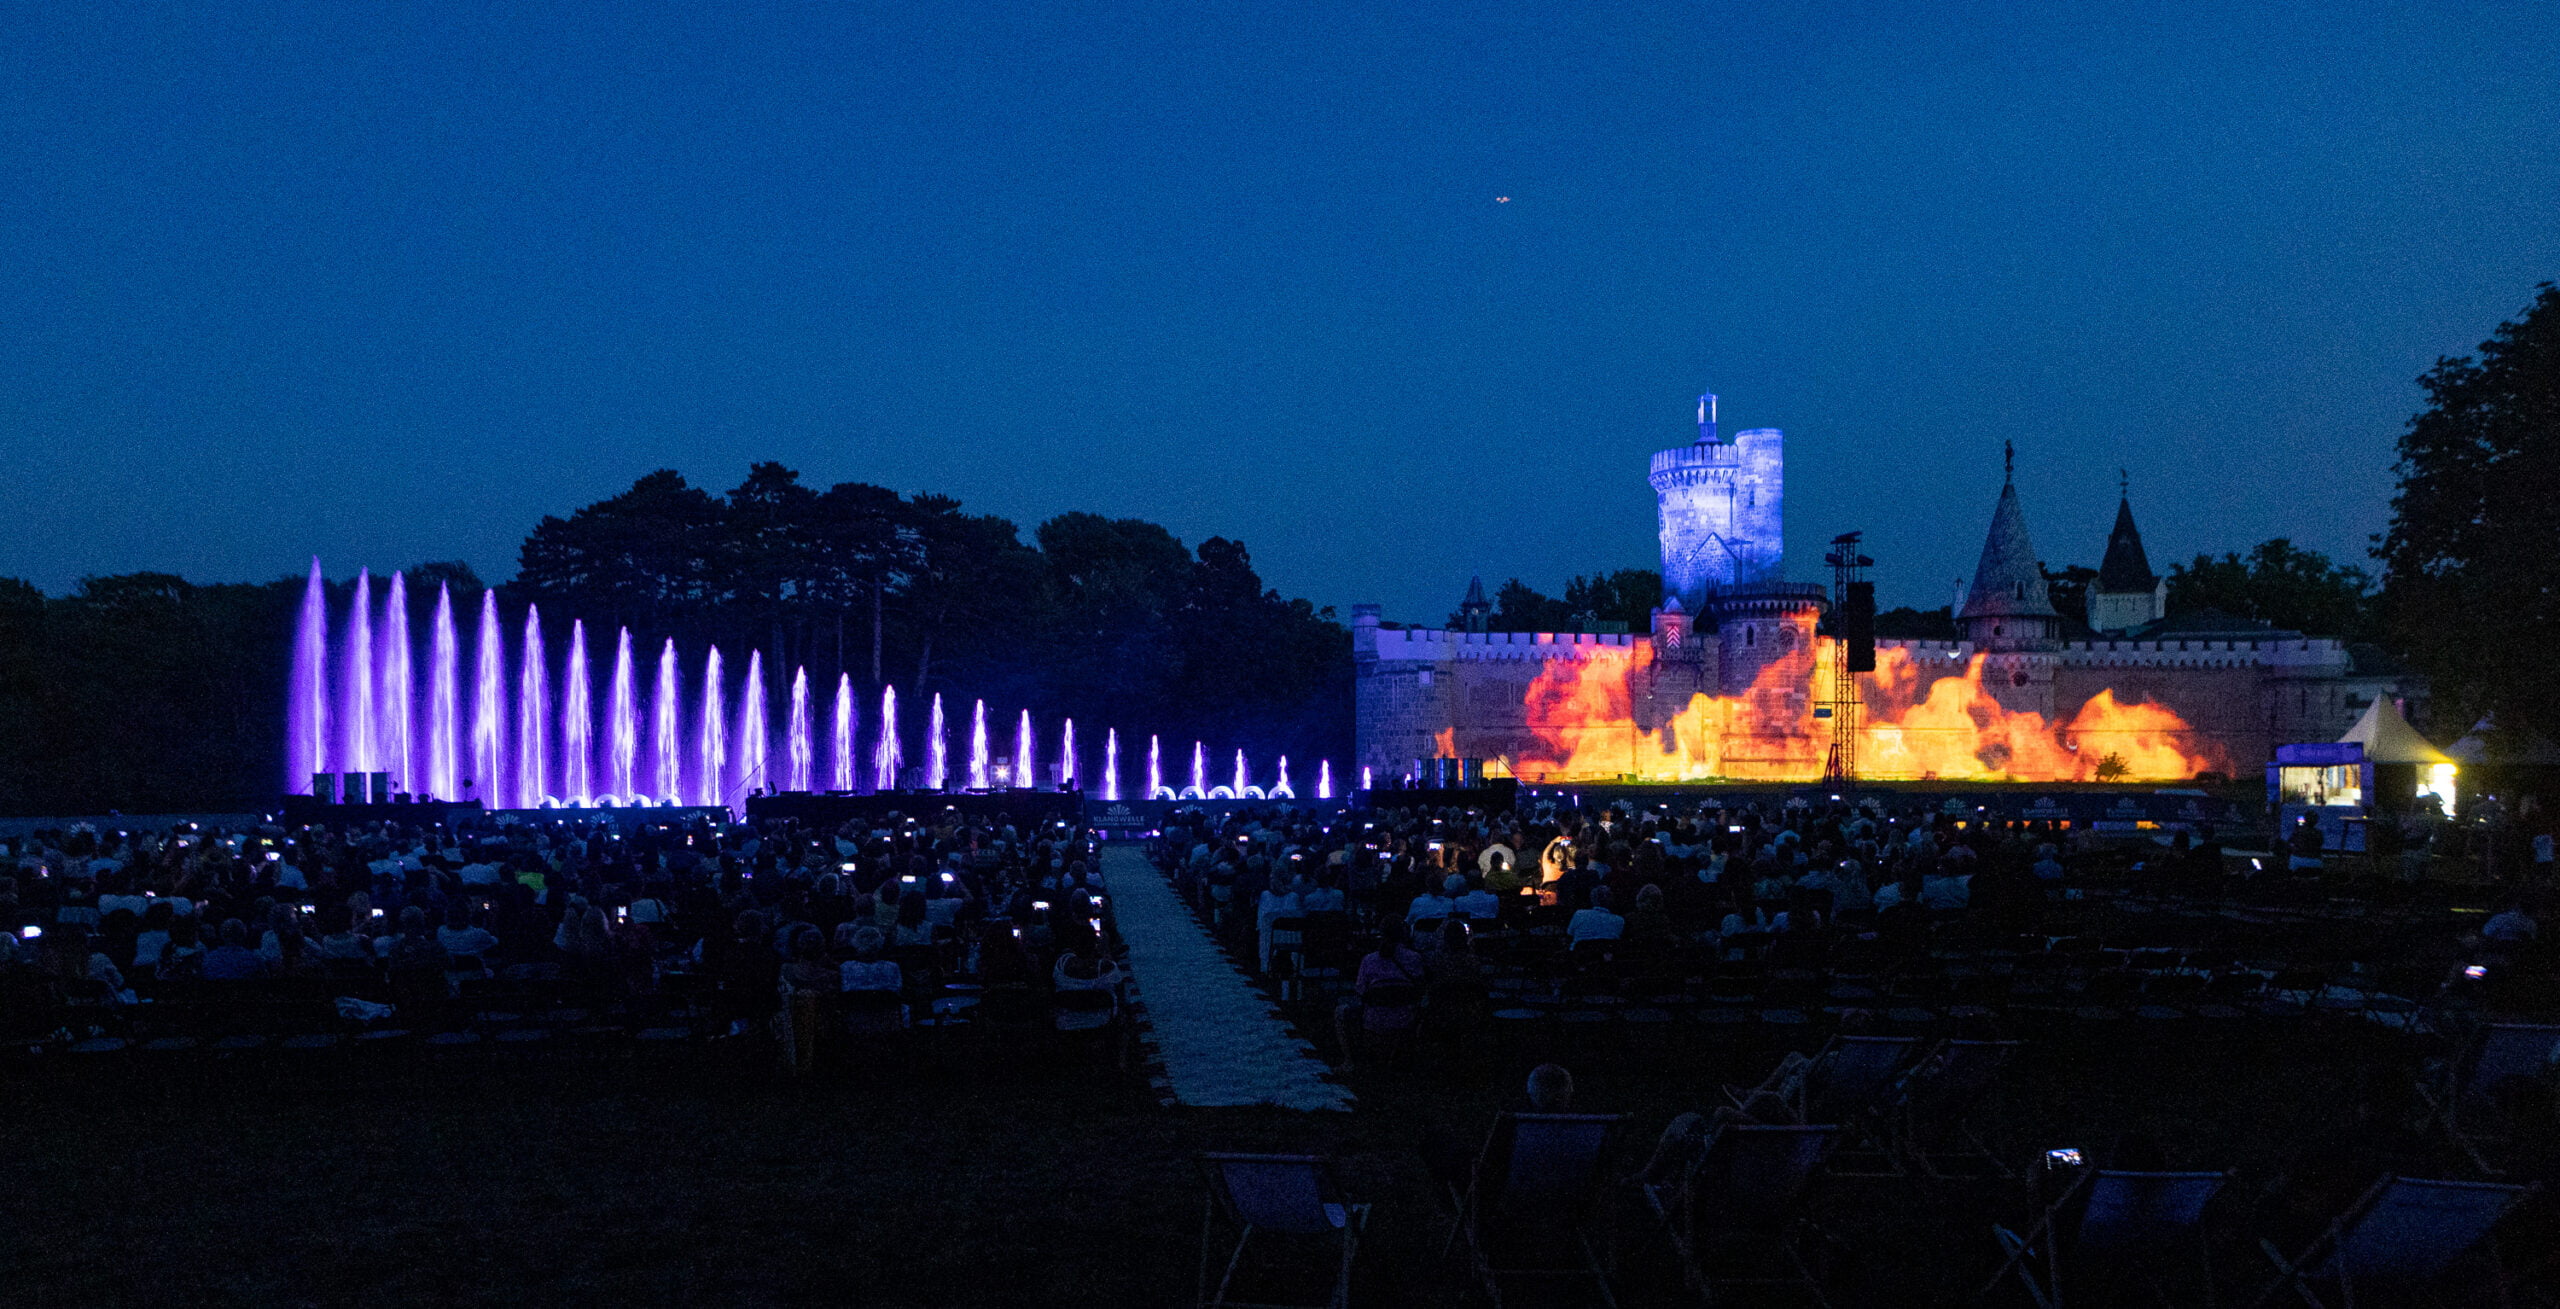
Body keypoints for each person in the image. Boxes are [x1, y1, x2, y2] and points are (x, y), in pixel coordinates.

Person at [1335, 918, 1426, 1070]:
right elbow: (1420, 989)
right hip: (1406, 1018)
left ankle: (1349, 1061)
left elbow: (1361, 991)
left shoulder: (1369, 960)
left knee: (1340, 1011)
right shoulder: (1415, 958)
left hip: (1375, 1020)